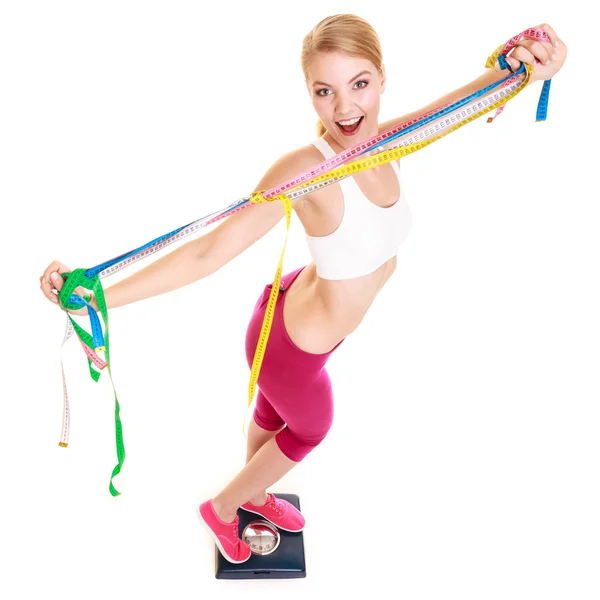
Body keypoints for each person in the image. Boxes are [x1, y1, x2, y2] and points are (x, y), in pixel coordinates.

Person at [39, 14, 566, 564]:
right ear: (309, 95)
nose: (344, 109)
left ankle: (256, 493)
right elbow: (206, 252)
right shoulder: (304, 171)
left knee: (270, 419)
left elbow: (469, 98)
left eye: (359, 84)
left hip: (295, 323)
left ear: (382, 79)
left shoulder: (389, 139)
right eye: (324, 91)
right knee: (310, 427)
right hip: (293, 350)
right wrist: (97, 296)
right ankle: (222, 510)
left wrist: (530, 63)